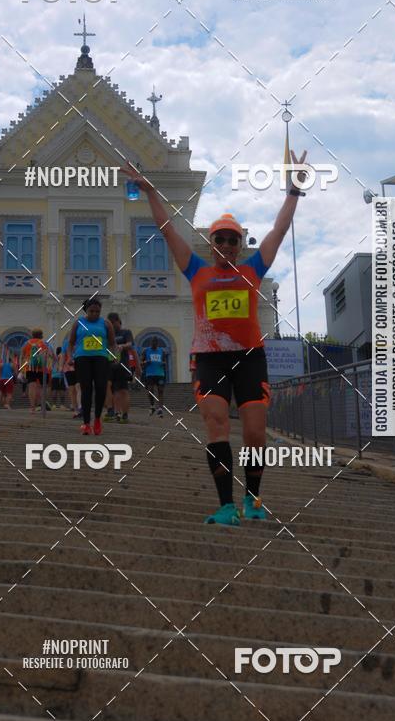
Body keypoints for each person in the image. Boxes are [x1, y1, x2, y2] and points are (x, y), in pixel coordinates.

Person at [121, 159, 308, 526]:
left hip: (250, 358)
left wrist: (294, 190)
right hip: (208, 359)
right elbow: (166, 229)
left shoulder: (254, 269)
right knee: (217, 424)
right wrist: (150, 192)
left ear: (239, 244)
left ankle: (253, 499)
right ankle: (226, 506)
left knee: (254, 432)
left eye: (232, 239)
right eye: (219, 238)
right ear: (212, 243)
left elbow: (279, 229)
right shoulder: (196, 270)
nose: (225, 243)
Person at [69, 298, 116, 435]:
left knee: (101, 388)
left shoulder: (106, 323)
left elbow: (113, 343)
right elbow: (71, 343)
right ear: (86, 310)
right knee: (86, 389)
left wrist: (114, 356)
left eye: (97, 311)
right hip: (82, 358)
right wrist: (71, 356)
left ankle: (97, 419)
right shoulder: (78, 323)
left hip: (101, 357)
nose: (94, 314)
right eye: (91, 311)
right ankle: (86, 423)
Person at [107, 312, 140, 424]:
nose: (111, 326)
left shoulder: (126, 332)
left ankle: (125, 415)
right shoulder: (108, 335)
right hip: (110, 365)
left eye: (112, 323)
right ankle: (115, 412)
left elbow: (130, 344)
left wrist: (122, 346)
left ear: (117, 321)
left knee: (123, 390)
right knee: (112, 389)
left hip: (123, 365)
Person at [20, 330, 51, 412]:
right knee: (43, 387)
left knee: (31, 386)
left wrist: (21, 368)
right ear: (41, 335)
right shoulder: (45, 343)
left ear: (32, 335)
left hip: (30, 367)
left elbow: (22, 356)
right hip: (42, 367)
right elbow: (50, 355)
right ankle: (42, 405)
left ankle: (32, 407)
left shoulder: (26, 343)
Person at [142, 336, 167, 417]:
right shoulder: (146, 351)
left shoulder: (162, 351)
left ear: (158, 343)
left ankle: (160, 409)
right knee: (150, 390)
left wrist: (164, 363)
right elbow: (140, 362)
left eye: (156, 343)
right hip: (150, 374)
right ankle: (152, 406)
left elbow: (164, 362)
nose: (154, 344)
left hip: (160, 374)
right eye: (153, 342)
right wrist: (146, 362)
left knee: (161, 391)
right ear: (150, 343)